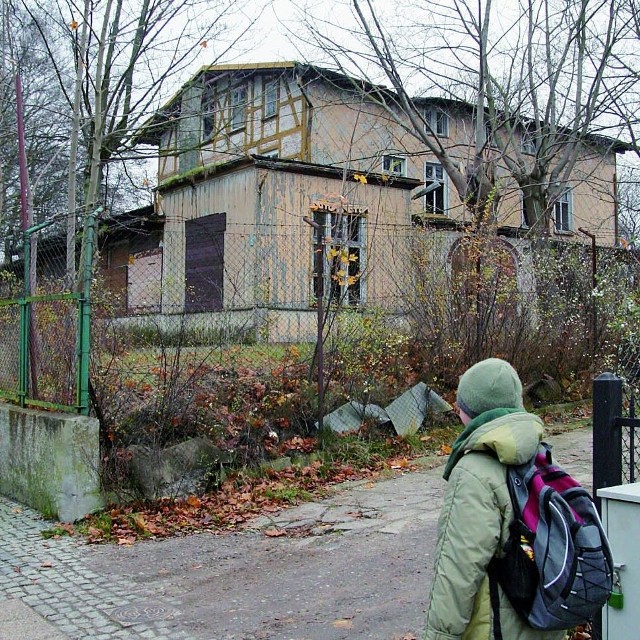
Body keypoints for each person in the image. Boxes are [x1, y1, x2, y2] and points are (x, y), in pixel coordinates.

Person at [424, 358, 565, 640]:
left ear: (469, 412)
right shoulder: (542, 454)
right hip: (547, 622)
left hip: (495, 628)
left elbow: (458, 569)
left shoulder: (473, 471)